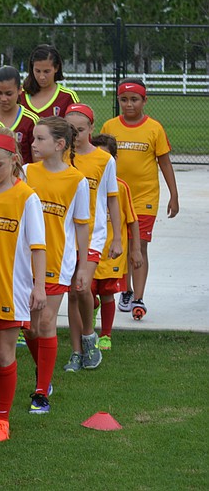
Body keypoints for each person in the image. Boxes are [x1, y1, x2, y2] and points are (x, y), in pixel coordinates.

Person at [0, 129, 46, 443]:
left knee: (4, 356)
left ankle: (2, 419)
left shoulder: (26, 196)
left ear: (13, 160)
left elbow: (38, 245)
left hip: (12, 288)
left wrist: (39, 286)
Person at [22, 117, 90, 414]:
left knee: (47, 322)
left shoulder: (77, 180)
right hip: (25, 261)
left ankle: (41, 391)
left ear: (59, 145)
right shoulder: (25, 172)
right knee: (30, 328)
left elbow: (82, 225)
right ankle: (45, 371)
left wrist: (84, 265)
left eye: (39, 139)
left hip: (58, 260)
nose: (33, 145)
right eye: (33, 139)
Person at [101, 79, 179, 320]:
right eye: (124, 99)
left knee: (140, 245)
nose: (129, 104)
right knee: (121, 244)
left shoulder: (154, 128)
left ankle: (139, 298)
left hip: (145, 196)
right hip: (116, 197)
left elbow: (164, 163)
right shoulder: (109, 126)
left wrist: (174, 195)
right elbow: (100, 161)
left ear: (145, 101)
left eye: (134, 99)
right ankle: (126, 290)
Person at [65, 105, 122, 367]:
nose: (75, 135)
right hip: (66, 236)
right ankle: (77, 352)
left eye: (79, 130)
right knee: (73, 294)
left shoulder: (104, 160)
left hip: (93, 236)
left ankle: (89, 335)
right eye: (69, 130)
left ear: (91, 128)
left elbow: (112, 200)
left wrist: (118, 238)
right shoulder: (61, 157)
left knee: (83, 287)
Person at [90, 134, 143, 349]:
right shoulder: (84, 182)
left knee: (107, 295)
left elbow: (132, 221)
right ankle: (89, 317)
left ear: (114, 159)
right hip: (89, 250)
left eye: (105, 158)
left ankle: (106, 335)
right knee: (86, 292)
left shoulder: (121, 188)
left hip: (112, 253)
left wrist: (135, 250)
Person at [0, 66, 39, 164]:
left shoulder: (30, 120)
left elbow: (37, 162)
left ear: (19, 90)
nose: (3, 99)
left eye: (9, 94)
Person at [19, 44, 78, 118]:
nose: (41, 77)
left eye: (46, 71)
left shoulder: (68, 97)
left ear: (56, 68)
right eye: (37, 71)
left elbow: (77, 126)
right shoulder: (20, 95)